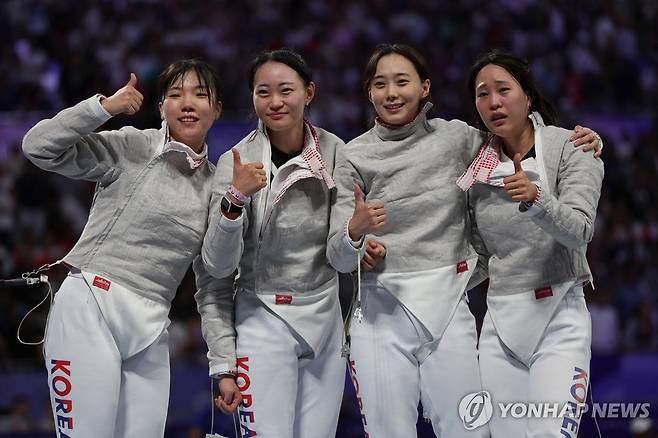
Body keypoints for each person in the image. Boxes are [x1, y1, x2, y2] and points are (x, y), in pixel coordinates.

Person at [326, 43, 601, 438]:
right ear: (368, 92)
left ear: (425, 87)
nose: (391, 93)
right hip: (384, 310)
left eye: (402, 82)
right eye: (380, 84)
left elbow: (524, 143)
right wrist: (354, 234)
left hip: (455, 310)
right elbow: (337, 255)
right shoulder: (352, 156)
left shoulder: (461, 140)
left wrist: (589, 142)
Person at [21, 59, 241, 438]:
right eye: (175, 95)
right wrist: (102, 108)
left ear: (217, 109)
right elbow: (38, 147)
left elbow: (215, 285)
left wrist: (223, 363)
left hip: (152, 325)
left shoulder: (218, 185)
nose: (187, 104)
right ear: (161, 108)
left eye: (200, 95)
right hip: (91, 307)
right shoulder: (133, 145)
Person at [201, 49, 345, 438]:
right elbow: (215, 268)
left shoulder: (337, 153)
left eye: (286, 90)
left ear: (309, 92)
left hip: (325, 320)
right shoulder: (236, 162)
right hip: (261, 316)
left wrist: (361, 238)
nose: (275, 102)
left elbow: (344, 254)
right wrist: (234, 198)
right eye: (263, 92)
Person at [461, 49, 604, 437]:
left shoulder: (574, 147)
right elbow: (482, 257)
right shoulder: (474, 169)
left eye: (503, 89)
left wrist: (538, 199)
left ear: (527, 95)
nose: (493, 102)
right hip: (500, 326)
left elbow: (579, 231)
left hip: (559, 317)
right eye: (482, 94)